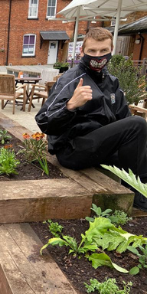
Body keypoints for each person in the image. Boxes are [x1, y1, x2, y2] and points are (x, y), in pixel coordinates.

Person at [35, 27, 147, 211]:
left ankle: (141, 186)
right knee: (137, 124)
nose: (98, 56)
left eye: (103, 51)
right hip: (72, 150)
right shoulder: (71, 80)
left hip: (101, 148)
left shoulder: (112, 82)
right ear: (82, 52)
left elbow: (123, 119)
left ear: (111, 50)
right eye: (92, 51)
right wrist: (70, 106)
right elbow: (44, 121)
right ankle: (137, 192)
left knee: (140, 139)